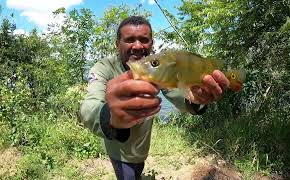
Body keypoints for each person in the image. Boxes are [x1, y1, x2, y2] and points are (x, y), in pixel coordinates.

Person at [79, 16, 230, 180]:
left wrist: (195, 99)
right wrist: (108, 115)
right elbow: (89, 107)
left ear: (151, 43)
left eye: (144, 40)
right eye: (129, 40)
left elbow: (178, 93)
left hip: (142, 149)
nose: (137, 46)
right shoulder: (104, 68)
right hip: (120, 153)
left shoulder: (156, 69)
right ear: (117, 44)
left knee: (138, 171)